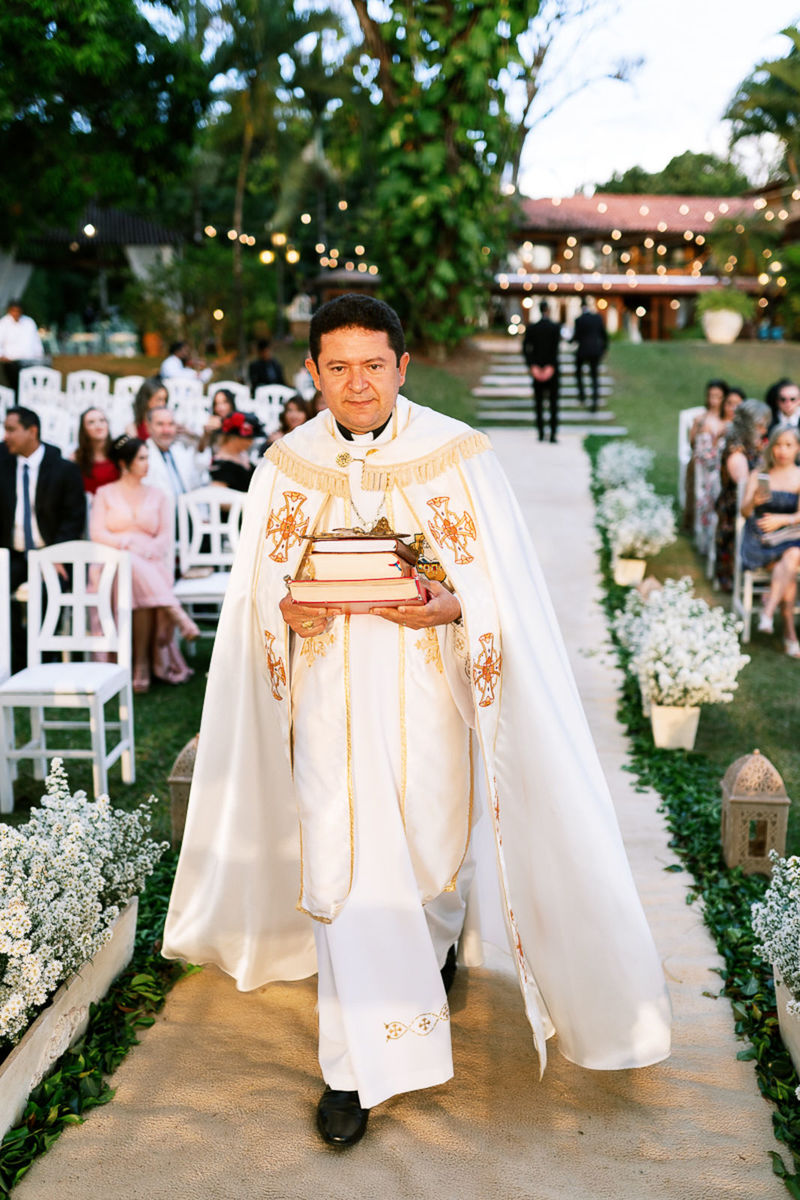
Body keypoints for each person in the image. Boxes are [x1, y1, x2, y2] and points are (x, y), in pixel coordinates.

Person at [163, 293, 670, 1149]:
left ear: (403, 366)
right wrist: (294, 614)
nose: (356, 385)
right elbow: (258, 600)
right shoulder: (286, 465)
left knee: (430, 863)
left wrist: (451, 606)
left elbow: (505, 596)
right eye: (337, 367)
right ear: (313, 372)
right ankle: (351, 1071)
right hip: (326, 712)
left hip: (429, 705)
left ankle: (436, 952)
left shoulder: (457, 457)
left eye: (373, 365)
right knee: (347, 871)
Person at [90, 436, 200, 692]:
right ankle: (175, 614)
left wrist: (145, 550)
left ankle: (140, 663)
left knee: (136, 577)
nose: (147, 463)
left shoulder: (159, 495)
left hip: (151, 562)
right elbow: (97, 533)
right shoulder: (104, 493)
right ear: (124, 463)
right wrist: (128, 543)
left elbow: (164, 537)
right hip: (112, 564)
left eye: (147, 457)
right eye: (141, 458)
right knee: (127, 564)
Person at [0, 406, 86, 671]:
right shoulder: (1, 462)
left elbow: (75, 517)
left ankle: (45, 660)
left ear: (32, 431)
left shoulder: (63, 469)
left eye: (12, 430)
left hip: (50, 552)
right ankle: (16, 659)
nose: (6, 436)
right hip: (12, 553)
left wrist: (58, 553)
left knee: (47, 593)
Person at [741, 427, 800, 656]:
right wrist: (753, 502)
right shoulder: (760, 474)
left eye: (788, 445)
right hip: (760, 541)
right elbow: (744, 512)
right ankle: (788, 630)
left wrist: (781, 520)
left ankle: (768, 611)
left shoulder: (799, 475)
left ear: (797, 448)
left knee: (793, 556)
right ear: (771, 447)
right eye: (778, 445)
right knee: (792, 565)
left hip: (789, 537)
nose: (782, 450)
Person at [714, 398, 771, 592]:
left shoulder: (752, 445)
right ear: (749, 425)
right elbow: (742, 486)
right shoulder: (736, 451)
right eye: (761, 426)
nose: (764, 430)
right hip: (734, 507)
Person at [683, 379, 727, 535]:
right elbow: (692, 442)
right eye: (710, 395)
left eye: (718, 396)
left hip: (720, 465)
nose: (713, 400)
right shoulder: (700, 419)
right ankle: (695, 523)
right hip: (701, 463)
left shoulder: (727, 421)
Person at [142, 407, 206, 502]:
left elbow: (196, 486)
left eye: (171, 424)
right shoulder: (142, 457)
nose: (166, 430)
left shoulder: (181, 452)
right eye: (160, 424)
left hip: (187, 514)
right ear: (148, 427)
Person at [522, 300, 561, 442]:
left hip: (537, 369)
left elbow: (526, 349)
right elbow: (555, 350)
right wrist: (551, 366)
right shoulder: (555, 327)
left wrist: (533, 366)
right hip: (552, 370)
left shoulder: (532, 327)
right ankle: (552, 435)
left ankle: (540, 433)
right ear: (548, 310)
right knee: (553, 404)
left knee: (539, 404)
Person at [0, 300, 45, 395]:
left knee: (30, 388)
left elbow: (36, 341)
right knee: (14, 389)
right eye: (14, 311)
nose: (16, 313)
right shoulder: (3, 323)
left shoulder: (29, 322)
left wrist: (39, 355)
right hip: (11, 363)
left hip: (29, 361)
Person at [209, 412, 261, 492]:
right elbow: (218, 496)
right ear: (234, 437)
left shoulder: (242, 454)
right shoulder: (221, 463)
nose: (251, 442)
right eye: (248, 438)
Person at [571, 298, 607, 410]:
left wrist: (568, 340)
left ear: (581, 307)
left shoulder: (579, 320)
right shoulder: (597, 318)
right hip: (595, 351)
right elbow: (604, 336)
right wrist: (602, 350)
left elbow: (576, 337)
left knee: (578, 373)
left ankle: (582, 395)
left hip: (582, 351)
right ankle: (594, 401)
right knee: (594, 377)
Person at [73, 408, 120, 495]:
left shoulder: (120, 451)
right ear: (84, 429)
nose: (98, 426)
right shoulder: (76, 459)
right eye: (91, 422)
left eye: (102, 420)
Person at [197, 388, 238, 454]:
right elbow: (201, 450)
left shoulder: (239, 422)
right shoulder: (214, 422)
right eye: (217, 403)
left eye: (224, 402)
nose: (220, 407)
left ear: (231, 403)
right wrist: (206, 433)